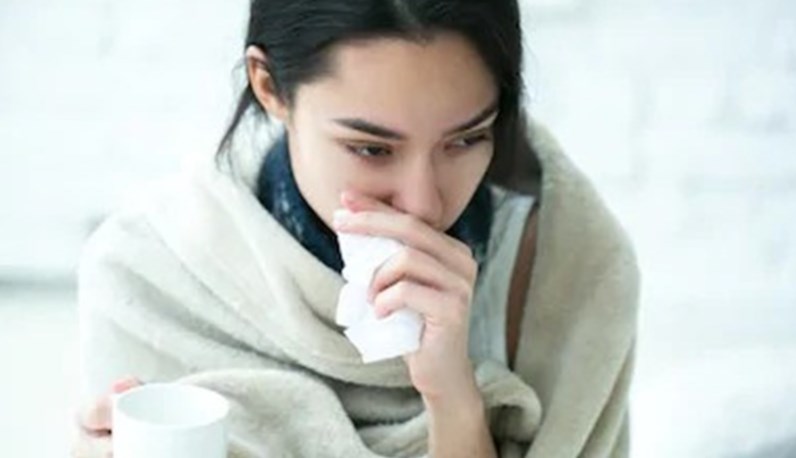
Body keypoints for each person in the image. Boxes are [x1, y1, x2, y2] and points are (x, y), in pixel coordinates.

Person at [72, 1, 639, 457]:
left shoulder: (565, 268)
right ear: (269, 87)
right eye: (371, 149)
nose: (422, 203)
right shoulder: (149, 274)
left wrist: (453, 399)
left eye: (466, 139)